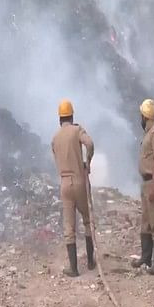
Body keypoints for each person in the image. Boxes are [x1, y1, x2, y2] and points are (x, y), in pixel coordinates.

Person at [51, 99, 95, 277]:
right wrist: (87, 162)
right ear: (72, 115)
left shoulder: (55, 138)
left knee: (69, 227)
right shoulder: (77, 130)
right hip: (79, 181)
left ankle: (74, 268)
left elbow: (56, 158)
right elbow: (90, 144)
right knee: (87, 220)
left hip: (65, 183)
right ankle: (91, 261)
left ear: (60, 118)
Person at [131, 99, 154, 275]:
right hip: (145, 181)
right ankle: (146, 256)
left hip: (152, 181)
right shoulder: (147, 133)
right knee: (146, 220)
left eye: (141, 115)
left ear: (145, 116)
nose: (140, 118)